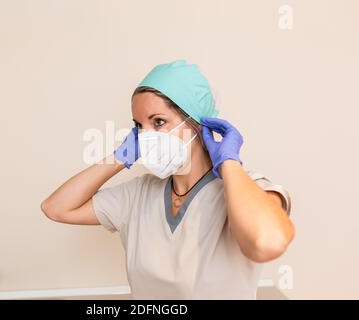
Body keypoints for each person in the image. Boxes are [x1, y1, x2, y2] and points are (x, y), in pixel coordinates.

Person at [41, 60, 295, 299]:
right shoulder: (138, 194)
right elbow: (56, 208)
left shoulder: (248, 189)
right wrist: (119, 157)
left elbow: (266, 243)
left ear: (197, 125)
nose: (146, 136)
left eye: (158, 122)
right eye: (139, 126)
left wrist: (228, 163)